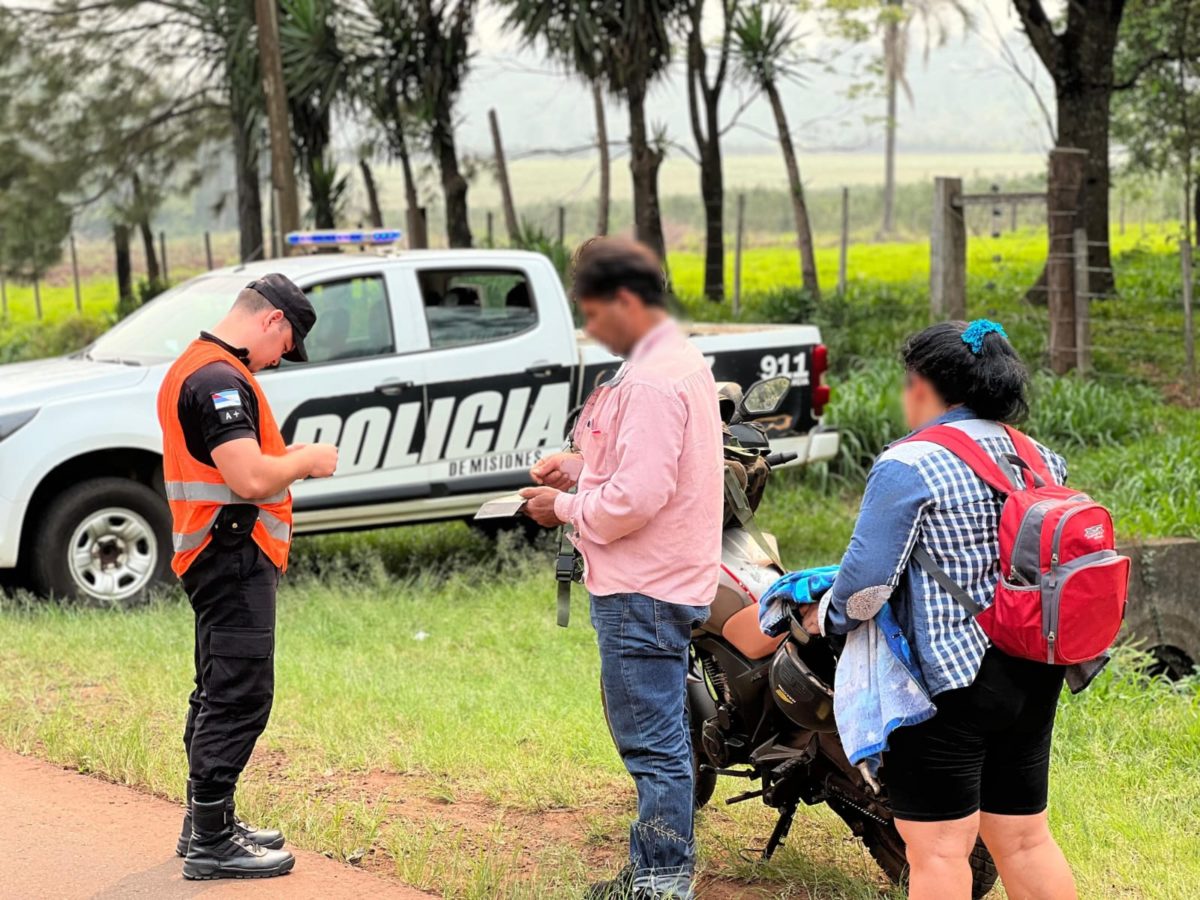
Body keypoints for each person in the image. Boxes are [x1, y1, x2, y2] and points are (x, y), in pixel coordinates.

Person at [803, 320, 1078, 900]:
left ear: (923, 386)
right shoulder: (1038, 457)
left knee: (938, 852)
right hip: (1033, 666)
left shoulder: (911, 463)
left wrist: (823, 619)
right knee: (1026, 839)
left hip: (950, 685)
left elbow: (864, 589)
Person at [520, 238, 723, 900]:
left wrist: (564, 505)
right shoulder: (676, 360)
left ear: (626, 301)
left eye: (594, 316)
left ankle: (663, 883)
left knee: (654, 745)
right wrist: (580, 468)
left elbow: (635, 500)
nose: (591, 332)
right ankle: (648, 869)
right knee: (655, 736)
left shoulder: (651, 381)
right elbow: (648, 471)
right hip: (666, 577)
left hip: (644, 585)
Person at [156, 274, 339, 880]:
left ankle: (205, 822)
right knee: (239, 692)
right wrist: (308, 460)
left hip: (220, 551)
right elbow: (251, 478)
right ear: (272, 321)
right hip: (230, 549)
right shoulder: (216, 380)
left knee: (217, 684)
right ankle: (210, 838)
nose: (280, 358)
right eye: (285, 345)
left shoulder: (198, 365)